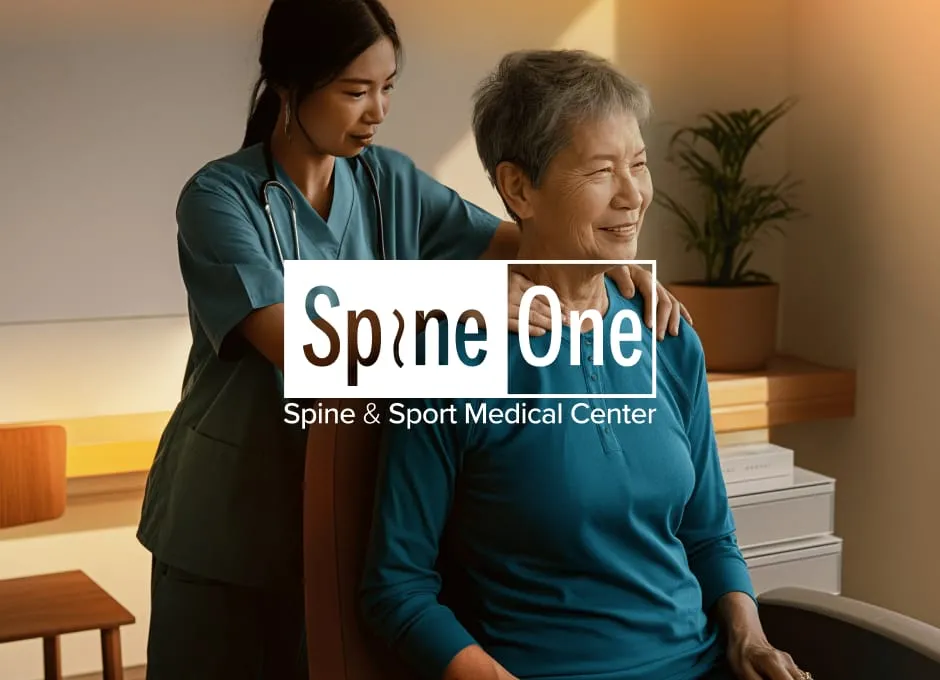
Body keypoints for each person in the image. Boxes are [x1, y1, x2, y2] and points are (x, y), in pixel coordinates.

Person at [136, 2, 689, 679]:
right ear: (288, 84)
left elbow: (527, 229)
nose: (378, 110)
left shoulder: (388, 180)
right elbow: (297, 342)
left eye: (388, 87)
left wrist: (611, 255)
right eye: (354, 91)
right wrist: (459, 298)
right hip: (229, 519)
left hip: (348, 508)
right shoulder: (220, 199)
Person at [359, 50, 812, 680]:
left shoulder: (667, 334)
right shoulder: (455, 354)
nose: (633, 195)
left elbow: (709, 536)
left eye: (639, 165)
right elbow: (397, 590)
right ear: (519, 188)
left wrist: (749, 637)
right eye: (601, 171)